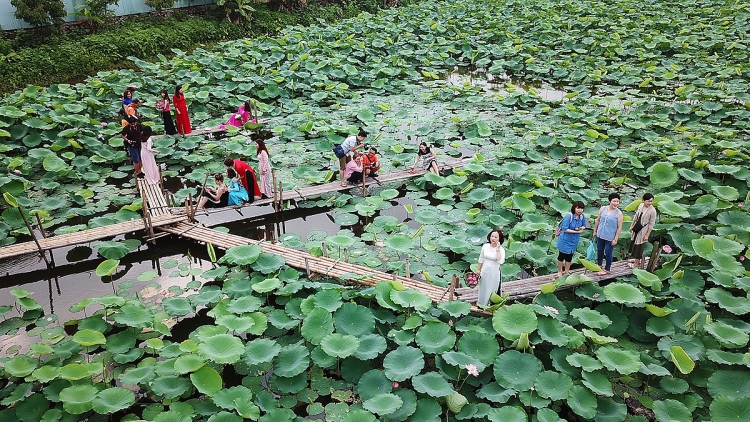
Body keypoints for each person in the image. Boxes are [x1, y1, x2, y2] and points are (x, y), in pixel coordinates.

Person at [591, 192, 624, 276]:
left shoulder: (619, 213)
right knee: (600, 251)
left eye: (617, 201)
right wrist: (595, 231)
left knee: (608, 253)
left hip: (610, 237)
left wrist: (616, 239)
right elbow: (598, 220)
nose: (616, 203)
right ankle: (599, 265)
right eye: (614, 201)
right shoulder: (603, 208)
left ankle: (607, 269)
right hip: (600, 234)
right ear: (610, 201)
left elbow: (619, 227)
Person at [556, 201, 587, 277]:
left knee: (569, 256)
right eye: (578, 208)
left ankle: (566, 271)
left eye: (581, 208)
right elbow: (565, 229)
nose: (580, 210)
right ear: (574, 208)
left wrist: (581, 228)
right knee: (561, 256)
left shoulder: (582, 216)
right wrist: (576, 232)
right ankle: (559, 271)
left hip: (574, 241)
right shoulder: (569, 216)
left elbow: (584, 226)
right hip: (565, 240)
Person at [476, 229, 506, 306]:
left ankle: (490, 305)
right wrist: (478, 269)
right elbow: (481, 258)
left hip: (494, 272)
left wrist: (498, 249)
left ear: (499, 239)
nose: (493, 238)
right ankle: (481, 305)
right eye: (492, 236)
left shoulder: (501, 250)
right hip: (485, 271)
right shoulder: (485, 246)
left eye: (496, 237)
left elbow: (500, 261)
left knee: (492, 289)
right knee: (483, 288)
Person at [629, 193, 657, 269]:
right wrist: (631, 226)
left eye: (651, 201)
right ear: (643, 200)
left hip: (643, 229)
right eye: (648, 201)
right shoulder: (641, 205)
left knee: (639, 246)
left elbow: (651, 224)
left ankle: (636, 264)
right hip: (636, 227)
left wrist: (647, 235)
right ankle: (635, 259)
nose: (650, 203)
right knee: (634, 242)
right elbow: (636, 216)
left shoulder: (653, 211)